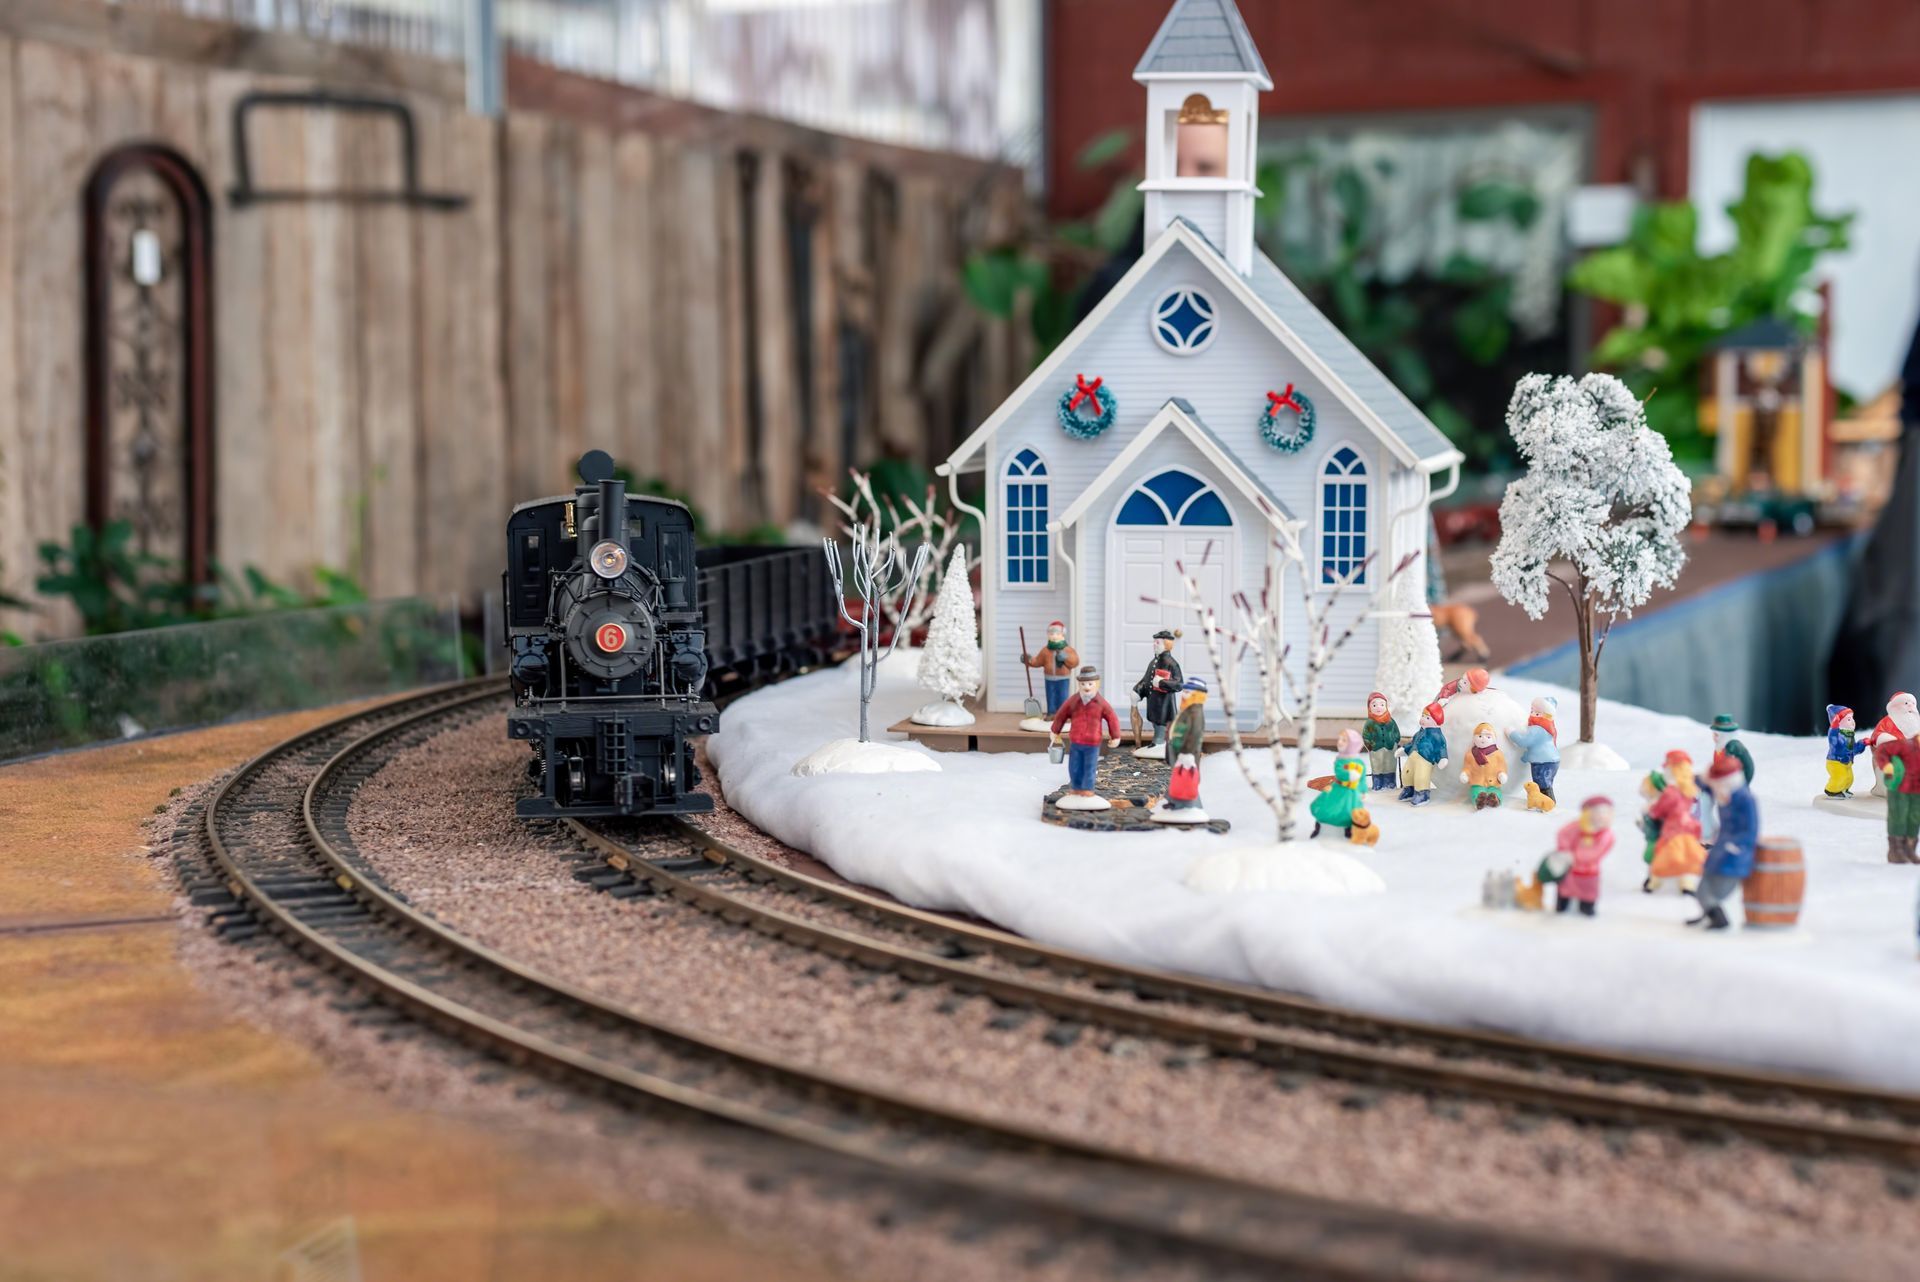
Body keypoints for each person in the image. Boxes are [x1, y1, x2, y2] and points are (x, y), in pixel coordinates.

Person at [1692, 752, 1757, 929]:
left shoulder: (1744, 799)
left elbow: (1751, 830)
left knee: (1713, 892)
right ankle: (1709, 914)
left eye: (1717, 783)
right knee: (1701, 889)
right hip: (1719, 851)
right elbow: (1704, 785)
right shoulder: (1724, 791)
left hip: (1733, 856)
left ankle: (1720, 920)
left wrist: (1734, 847)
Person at [1048, 664, 1121, 811]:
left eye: (1090, 684)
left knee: (1089, 766)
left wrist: (1116, 735)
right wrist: (1055, 730)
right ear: (1079, 684)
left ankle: (1087, 788)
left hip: (1092, 742)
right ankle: (1075, 787)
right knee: (1074, 766)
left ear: (1096, 684)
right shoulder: (1074, 701)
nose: (1086, 687)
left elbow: (1112, 718)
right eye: (1083, 684)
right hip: (1076, 740)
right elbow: (1061, 714)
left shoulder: (1100, 703)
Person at [1645, 750, 1706, 895]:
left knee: (1662, 854)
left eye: (1666, 768)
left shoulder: (1670, 792)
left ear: (1672, 770)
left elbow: (1658, 810)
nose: (1664, 771)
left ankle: (1654, 882)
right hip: (1689, 829)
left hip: (1673, 829)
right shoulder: (1689, 790)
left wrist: (1651, 809)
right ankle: (1687, 883)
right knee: (1686, 855)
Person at [1152, 678, 1210, 824]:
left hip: (1187, 754)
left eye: (1188, 692)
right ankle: (1176, 802)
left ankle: (1192, 805)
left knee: (1188, 779)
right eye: (1184, 691)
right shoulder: (1187, 709)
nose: (1184, 694)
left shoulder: (1196, 712)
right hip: (1177, 750)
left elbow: (1194, 735)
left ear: (1198, 694)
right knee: (1177, 777)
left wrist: (1188, 753)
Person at [1552, 796, 1615, 917]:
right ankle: (1563, 904)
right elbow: (1563, 834)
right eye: (1598, 812)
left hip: (1589, 871)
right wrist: (1565, 851)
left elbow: (1597, 851)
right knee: (1565, 889)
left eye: (1606, 813)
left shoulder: (1605, 835)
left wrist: (1576, 856)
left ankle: (1587, 906)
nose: (1602, 817)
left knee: (1588, 892)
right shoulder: (1577, 827)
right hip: (1571, 869)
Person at [1131, 629, 1184, 757]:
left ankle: (1159, 743)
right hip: (1153, 701)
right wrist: (1137, 690)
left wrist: (1161, 683)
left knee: (1161, 723)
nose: (1154, 645)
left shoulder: (1172, 664)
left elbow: (1179, 684)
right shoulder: (1153, 662)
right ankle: (1158, 742)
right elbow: (1146, 680)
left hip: (1164, 703)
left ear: (1166, 645)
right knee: (1155, 722)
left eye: (1157, 643)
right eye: (1154, 642)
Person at [1310, 729, 1368, 838]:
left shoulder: (1359, 762)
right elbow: (1340, 772)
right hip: (1339, 789)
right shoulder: (1341, 760)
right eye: (1340, 739)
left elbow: (1362, 779)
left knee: (1352, 810)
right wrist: (1348, 775)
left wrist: (1363, 790)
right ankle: (1321, 825)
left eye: (1344, 740)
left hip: (1353, 792)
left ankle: (1349, 829)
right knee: (1328, 806)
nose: (1340, 742)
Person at [1863, 691, 1920, 797]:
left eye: (1913, 703)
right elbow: (1877, 737)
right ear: (1894, 707)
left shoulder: (1916, 724)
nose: (1911, 706)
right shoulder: (1886, 722)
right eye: (1906, 703)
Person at [1506, 695, 1561, 802]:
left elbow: (1523, 741)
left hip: (1542, 763)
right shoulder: (1549, 728)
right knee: (1546, 784)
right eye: (1532, 711)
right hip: (1552, 761)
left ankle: (1547, 803)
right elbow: (1538, 746)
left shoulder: (1537, 728)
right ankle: (1544, 801)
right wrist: (1527, 756)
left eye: (1536, 713)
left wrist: (1511, 732)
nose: (1532, 715)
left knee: (1542, 785)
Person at [1022, 621, 1079, 716]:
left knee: (1062, 696)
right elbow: (1038, 661)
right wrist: (1029, 660)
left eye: (1057, 633)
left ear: (1062, 635)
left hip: (1063, 678)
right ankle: (1051, 714)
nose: (1054, 636)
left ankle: (1062, 715)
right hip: (1049, 678)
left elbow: (1075, 662)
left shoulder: (1068, 650)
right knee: (1051, 697)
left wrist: (1065, 657)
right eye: (1051, 633)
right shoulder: (1045, 650)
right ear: (1048, 635)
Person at [1398, 702, 1449, 806]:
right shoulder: (1419, 732)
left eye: (1427, 718)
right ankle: (1409, 789)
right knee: (1407, 773)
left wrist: (1442, 758)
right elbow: (1412, 743)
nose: (1422, 720)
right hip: (1413, 756)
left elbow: (1441, 747)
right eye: (1423, 716)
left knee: (1421, 776)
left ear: (1436, 720)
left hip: (1425, 759)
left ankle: (1422, 793)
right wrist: (1404, 749)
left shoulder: (1437, 735)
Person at [1881, 730, 1920, 864]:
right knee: (1898, 816)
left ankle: (1909, 850)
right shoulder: (1905, 745)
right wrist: (1886, 766)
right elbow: (1882, 750)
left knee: (1914, 818)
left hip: (1916, 792)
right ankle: (1895, 851)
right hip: (1899, 789)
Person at [1823, 704, 1870, 799]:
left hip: (1846, 763)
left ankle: (1843, 790)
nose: (1853, 722)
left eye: (1852, 718)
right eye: (1849, 719)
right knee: (1841, 777)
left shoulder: (1849, 735)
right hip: (1836, 762)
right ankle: (1831, 791)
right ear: (1838, 722)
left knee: (1849, 778)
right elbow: (1833, 738)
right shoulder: (1836, 735)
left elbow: (1853, 749)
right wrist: (1834, 727)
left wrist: (1862, 743)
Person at [1460, 722, 1508, 809]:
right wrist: (1465, 774)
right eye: (1480, 736)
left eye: (1488, 737)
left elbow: (1502, 767)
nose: (1483, 739)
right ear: (1474, 738)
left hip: (1493, 783)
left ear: (1493, 739)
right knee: (1476, 792)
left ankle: (1495, 798)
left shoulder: (1498, 754)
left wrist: (1502, 774)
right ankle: (1479, 800)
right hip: (1477, 782)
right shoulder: (1470, 754)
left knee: (1495, 791)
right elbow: (1467, 767)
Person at [1361, 691, 1401, 791]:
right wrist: (1370, 745)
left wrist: (1396, 741)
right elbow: (1366, 736)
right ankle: (1378, 784)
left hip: (1390, 747)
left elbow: (1396, 732)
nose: (1378, 707)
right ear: (1369, 708)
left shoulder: (1390, 721)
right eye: (1374, 705)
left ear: (1386, 706)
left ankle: (1390, 783)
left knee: (1390, 765)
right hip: (1376, 749)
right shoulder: (1370, 723)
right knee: (1377, 765)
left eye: (1382, 705)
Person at [1709, 714, 1754, 785]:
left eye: (1716, 735)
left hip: (1736, 781)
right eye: (1713, 735)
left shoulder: (1732, 747)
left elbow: (1729, 766)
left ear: (1725, 735)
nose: (1714, 738)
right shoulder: (1719, 747)